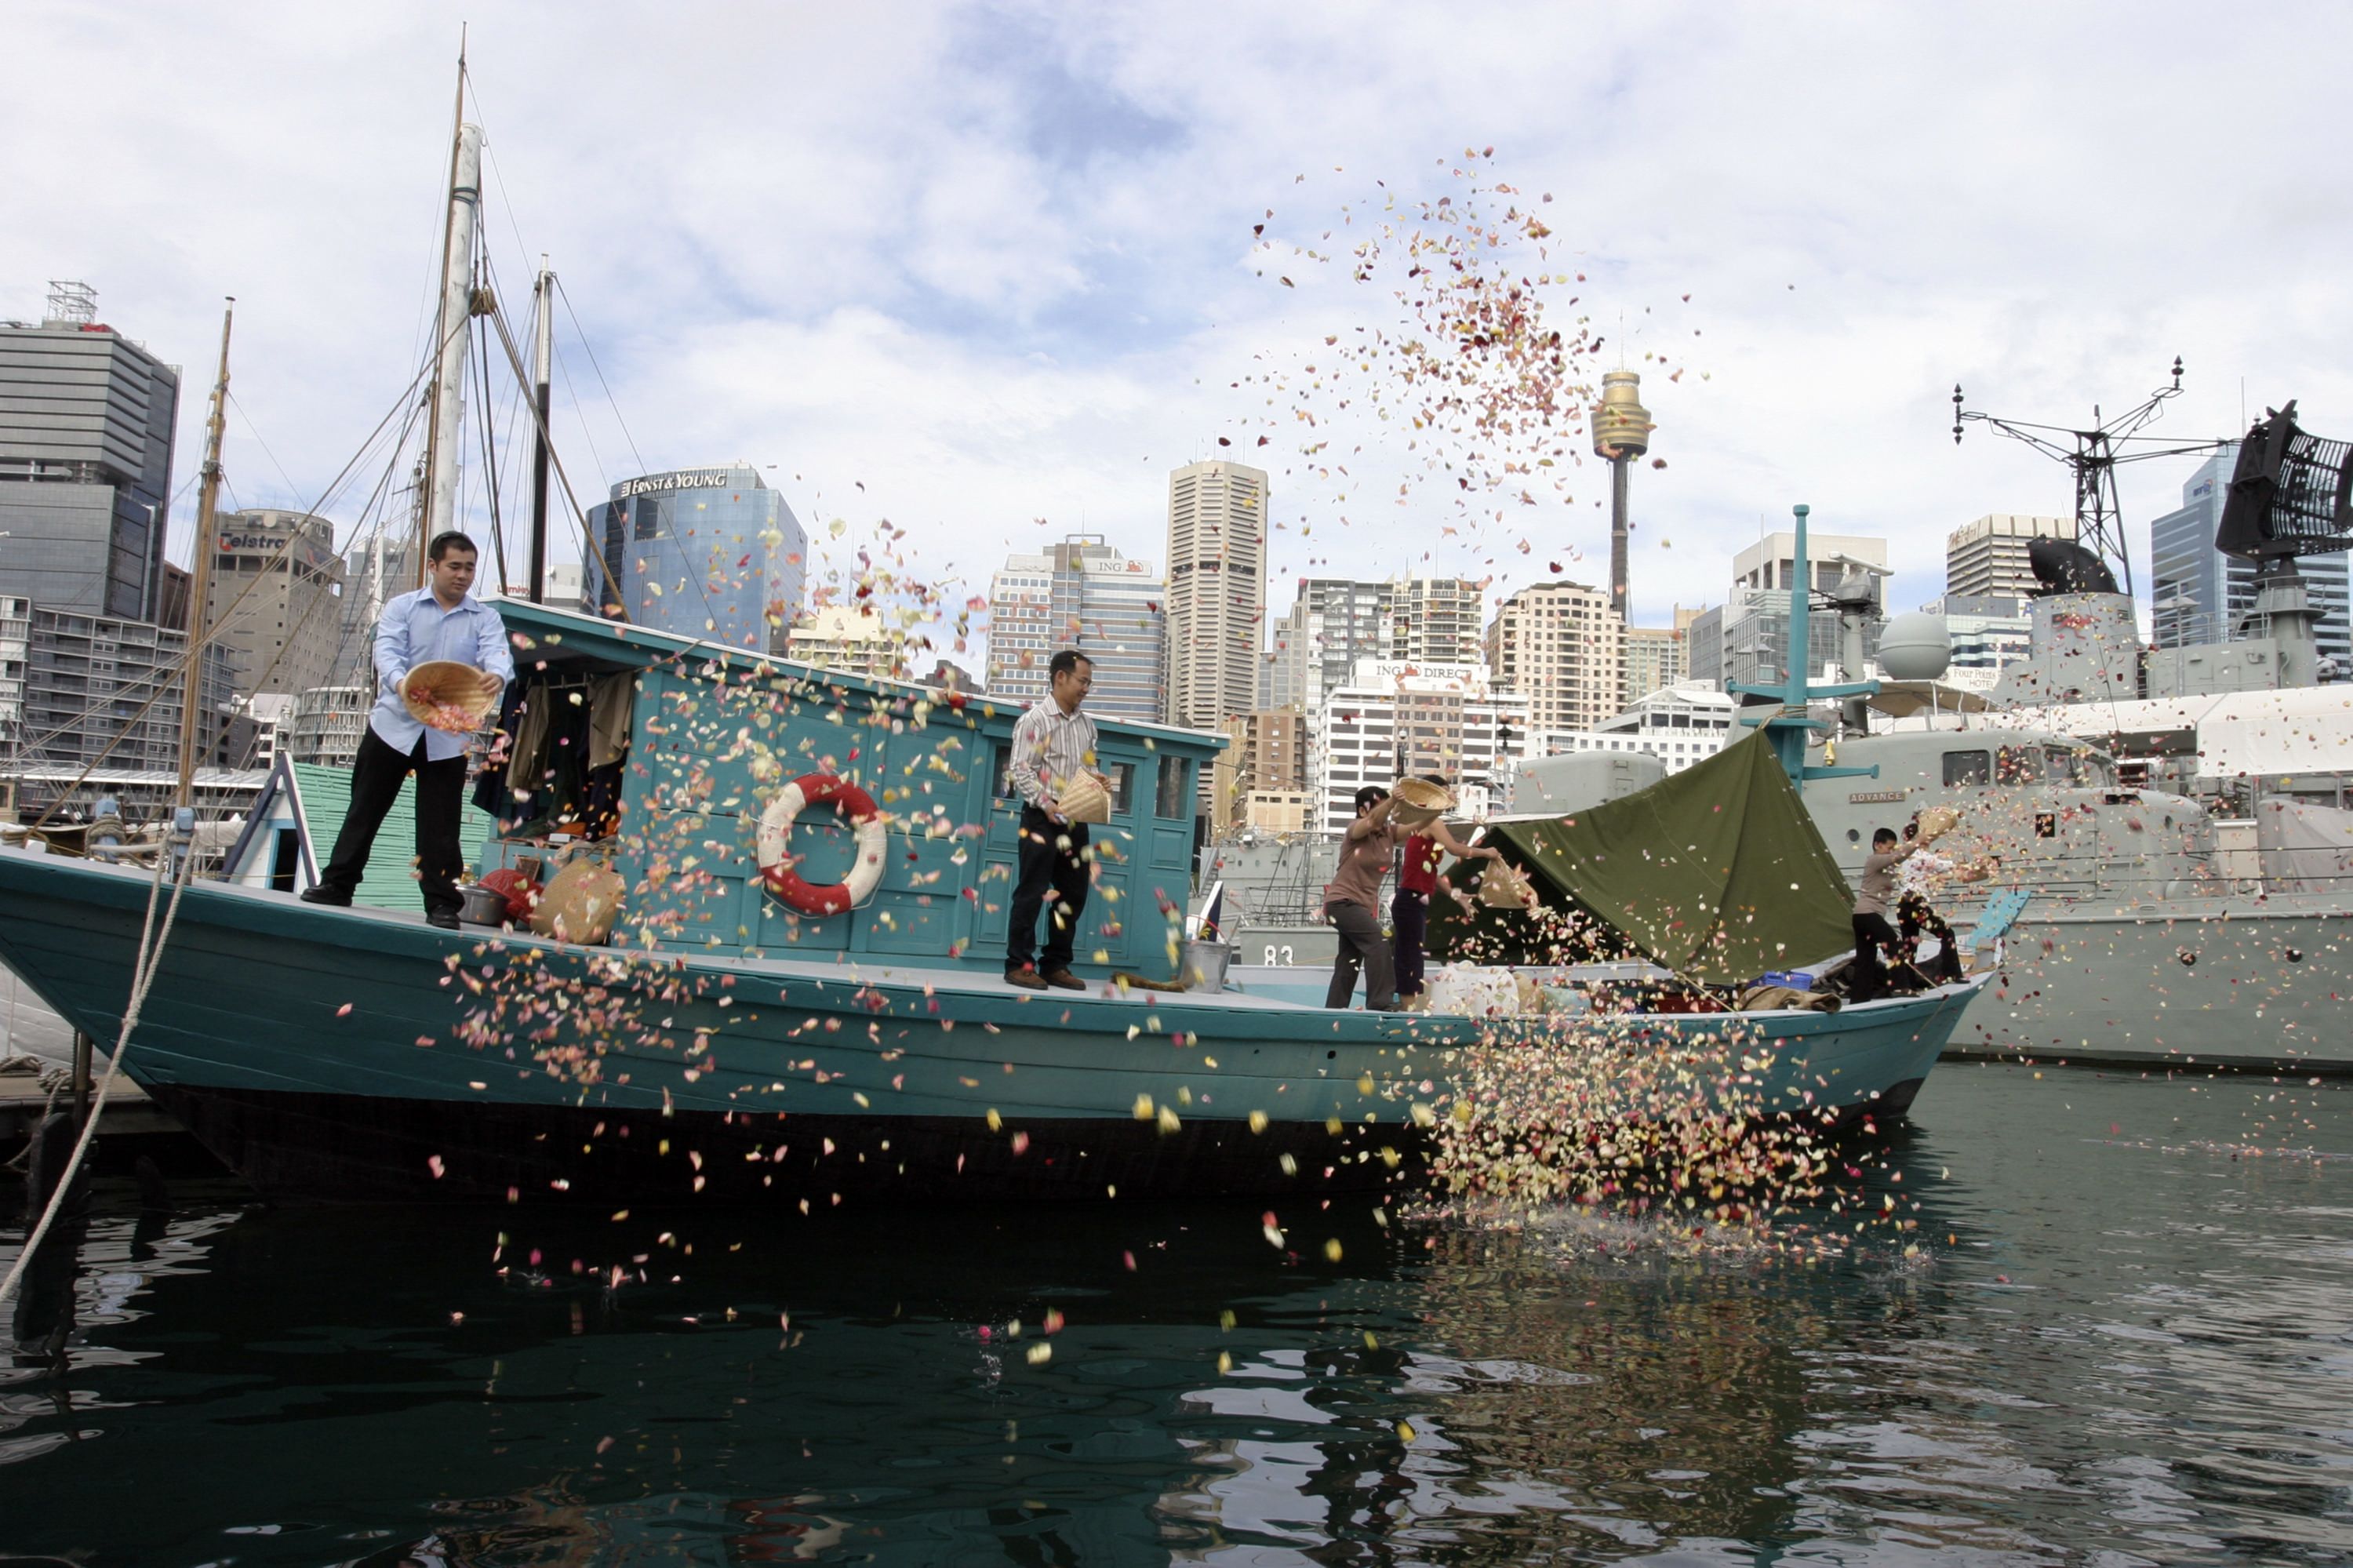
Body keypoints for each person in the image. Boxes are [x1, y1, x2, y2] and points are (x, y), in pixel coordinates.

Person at [302, 531, 512, 929]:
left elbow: (498, 653)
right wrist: (402, 685)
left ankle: (442, 905)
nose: (463, 575)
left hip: (447, 734)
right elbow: (387, 652)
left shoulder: (486, 617)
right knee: (365, 808)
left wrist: (497, 676)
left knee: (441, 824)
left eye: (469, 567)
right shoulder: (402, 608)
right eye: (454, 566)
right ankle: (337, 885)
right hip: (393, 724)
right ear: (433, 566)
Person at [1003, 649, 1105, 991]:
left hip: (1077, 817)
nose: (1086, 688)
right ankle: (1019, 965)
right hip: (1041, 817)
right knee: (1032, 891)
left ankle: (1055, 965)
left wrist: (1098, 781)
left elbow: (1088, 768)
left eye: (1089, 682)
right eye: (1083, 681)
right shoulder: (1035, 720)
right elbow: (1020, 770)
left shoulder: (1088, 725)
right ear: (1060, 677)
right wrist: (1047, 804)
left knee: (1074, 893)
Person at [1392, 776, 1503, 1006]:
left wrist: (1455, 894)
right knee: (1411, 957)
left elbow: (1429, 869)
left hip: (1414, 898)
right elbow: (1455, 850)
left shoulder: (1421, 824)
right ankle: (1408, 1009)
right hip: (1411, 899)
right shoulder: (1432, 822)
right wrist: (1487, 852)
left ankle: (1409, 1006)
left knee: (1411, 955)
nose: (1451, 797)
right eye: (1446, 793)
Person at [1323, 785, 1403, 1010]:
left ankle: (1334, 1009)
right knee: (1378, 943)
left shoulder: (1388, 833)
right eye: (1382, 808)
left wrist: (1437, 810)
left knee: (1349, 961)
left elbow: (1420, 827)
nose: (1386, 814)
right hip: (1341, 903)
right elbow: (1370, 823)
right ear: (1362, 811)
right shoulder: (1355, 830)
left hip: (1359, 907)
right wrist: (1391, 801)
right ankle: (1380, 1002)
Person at [1850, 825, 1929, 997]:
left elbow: (1900, 862)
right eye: (1889, 847)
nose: (1891, 851)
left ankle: (1859, 999)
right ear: (1878, 845)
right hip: (1867, 914)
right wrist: (1917, 841)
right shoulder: (1874, 860)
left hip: (1864, 916)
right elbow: (1898, 856)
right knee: (1893, 942)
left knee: (1866, 960)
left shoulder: (1888, 866)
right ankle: (1900, 987)